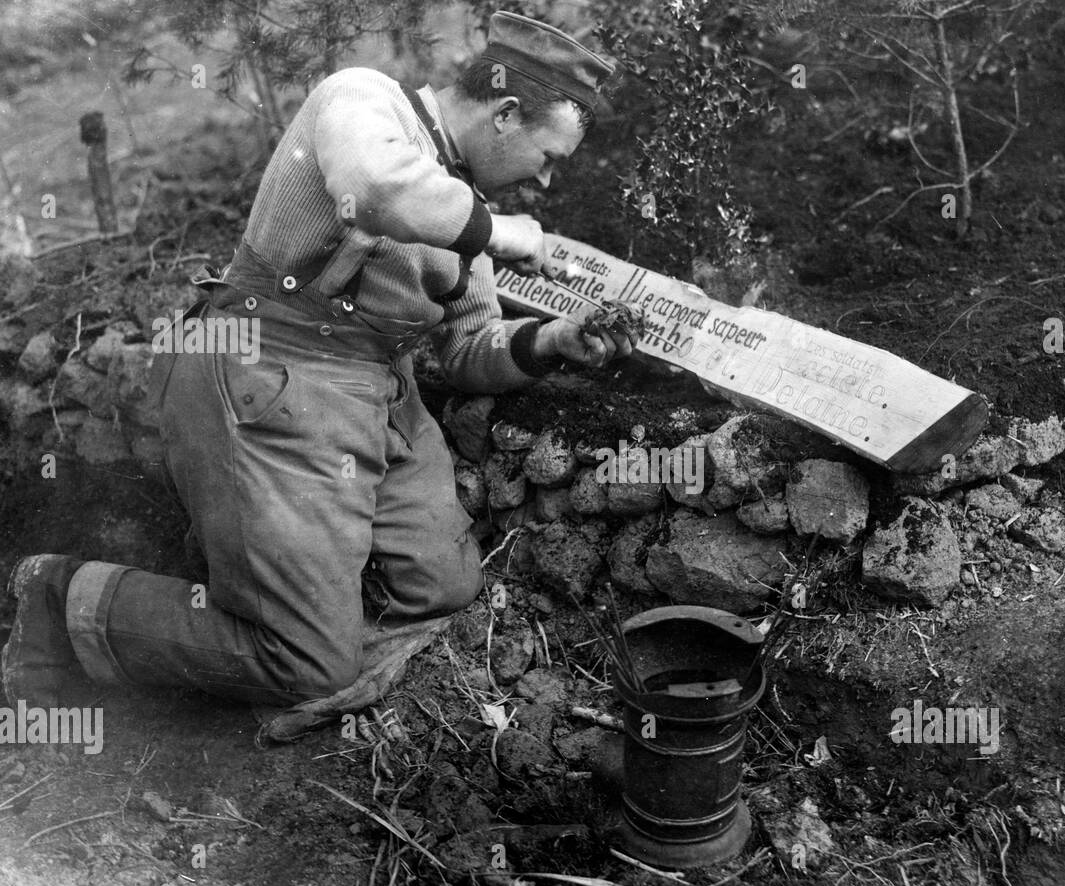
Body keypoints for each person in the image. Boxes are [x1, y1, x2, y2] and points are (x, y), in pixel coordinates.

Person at [2, 12, 634, 712]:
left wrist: (552, 344)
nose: (545, 184)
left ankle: (296, 582)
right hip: (266, 377)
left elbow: (467, 352)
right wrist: (503, 235)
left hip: (373, 394)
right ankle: (61, 599)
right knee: (310, 666)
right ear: (508, 113)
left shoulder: (465, 207)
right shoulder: (362, 99)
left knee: (444, 588)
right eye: (549, 158)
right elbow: (378, 188)